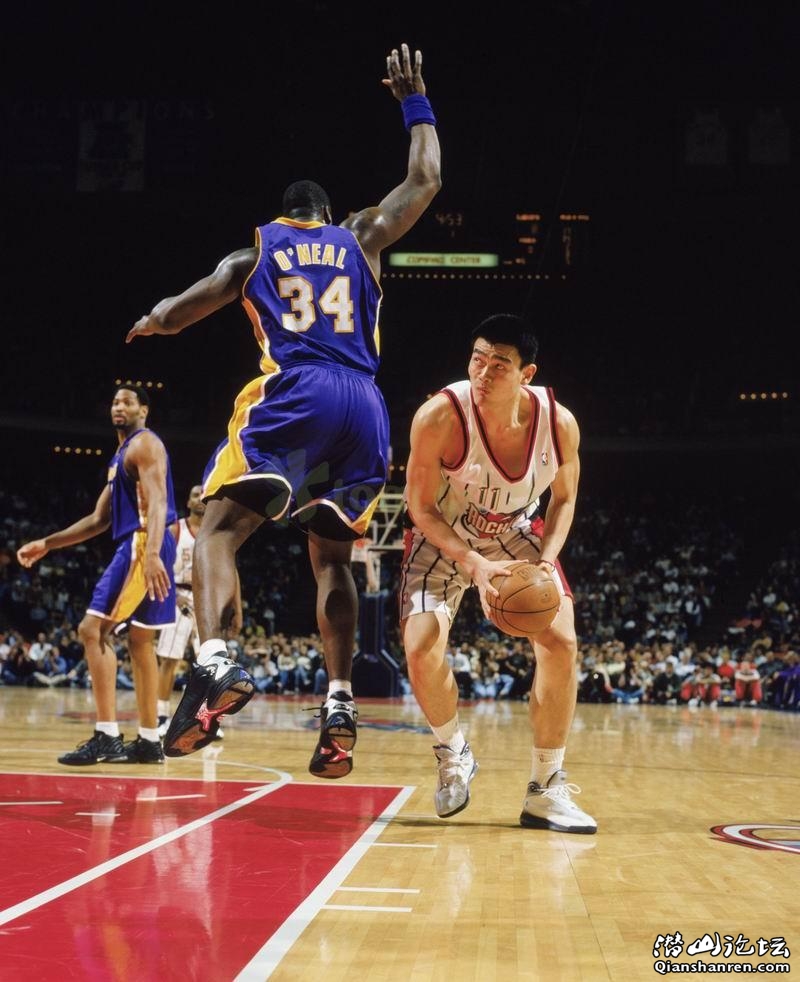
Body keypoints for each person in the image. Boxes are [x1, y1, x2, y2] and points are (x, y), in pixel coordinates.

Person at [125, 42, 441, 775]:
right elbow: (426, 177)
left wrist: (147, 322)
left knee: (216, 529)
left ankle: (214, 661)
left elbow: (174, 314)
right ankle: (339, 701)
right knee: (332, 558)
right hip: (364, 411)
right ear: (327, 214)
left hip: (298, 396)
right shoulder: (360, 236)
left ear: (283, 216)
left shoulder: (253, 256)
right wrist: (414, 101)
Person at [400, 313, 596, 833]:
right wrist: (474, 562)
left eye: (499, 364)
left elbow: (564, 499)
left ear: (526, 373)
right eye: (477, 359)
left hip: (514, 529)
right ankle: (453, 752)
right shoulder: (439, 416)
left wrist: (545, 560)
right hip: (444, 532)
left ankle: (545, 788)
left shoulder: (559, 424)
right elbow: (420, 508)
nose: (483, 373)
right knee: (419, 645)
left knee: (562, 641)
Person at [16, 385, 177, 764]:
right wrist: (47, 543)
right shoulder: (121, 456)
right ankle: (149, 740)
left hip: (144, 543)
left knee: (92, 630)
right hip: (147, 544)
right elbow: (98, 519)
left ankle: (106, 735)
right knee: (140, 642)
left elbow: (158, 502)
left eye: (128, 402)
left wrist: (153, 552)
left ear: (144, 410)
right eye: (115, 402)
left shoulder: (144, 444)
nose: (119, 407)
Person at [155, 484, 242, 738]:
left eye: (203, 494)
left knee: (211, 665)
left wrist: (237, 607)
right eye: (195, 494)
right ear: (188, 502)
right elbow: (160, 566)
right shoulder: (175, 529)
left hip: (208, 599)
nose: (200, 498)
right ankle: (161, 717)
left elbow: (232, 572)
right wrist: (172, 596)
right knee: (169, 660)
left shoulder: (218, 534)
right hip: (177, 599)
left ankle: (208, 719)